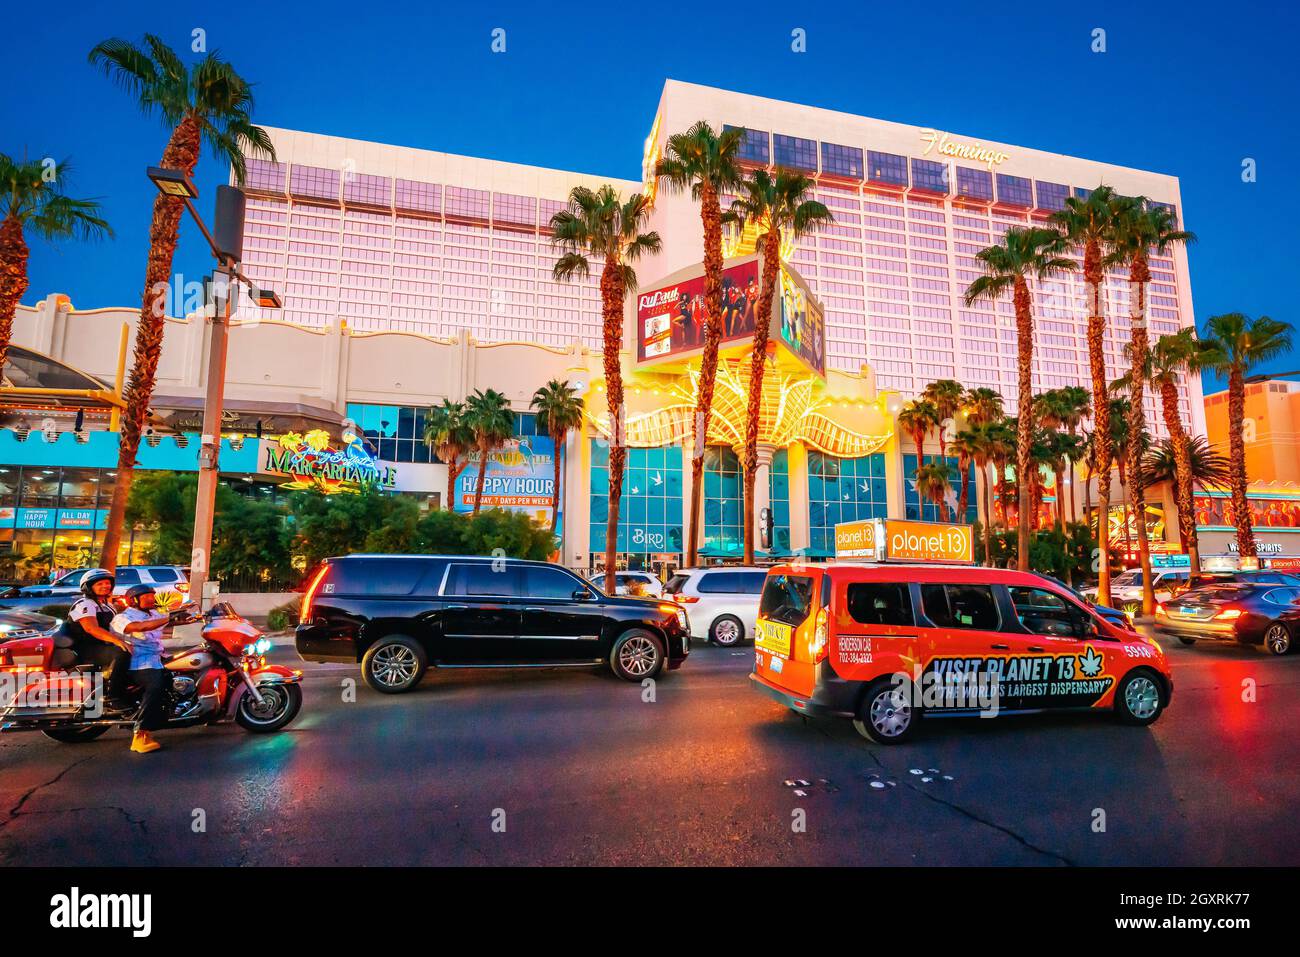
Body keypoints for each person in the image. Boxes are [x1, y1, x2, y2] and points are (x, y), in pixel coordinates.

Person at [111, 584, 173, 754]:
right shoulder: (122, 617)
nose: (150, 599)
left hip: (157, 657)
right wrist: (170, 618)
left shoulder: (154, 614)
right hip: (138, 661)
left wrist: (193, 616)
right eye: (145, 596)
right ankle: (140, 733)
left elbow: (165, 621)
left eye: (152, 596)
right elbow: (141, 627)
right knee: (155, 686)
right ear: (133, 600)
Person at [59, 569, 132, 712]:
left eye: (107, 583)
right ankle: (114, 697)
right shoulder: (85, 604)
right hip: (85, 648)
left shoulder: (107, 605)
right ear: (88, 587)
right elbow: (92, 629)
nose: (105, 586)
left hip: (101, 646)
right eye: (100, 584)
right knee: (122, 653)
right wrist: (118, 642)